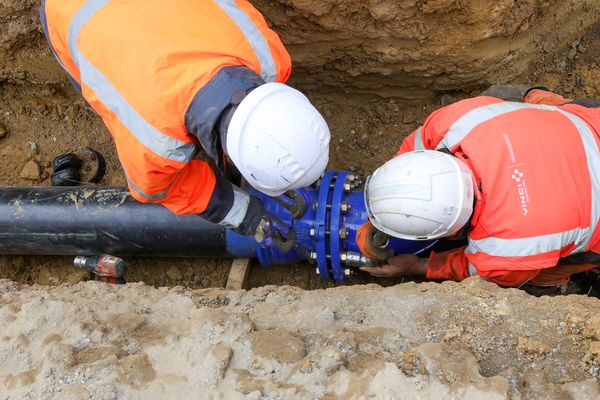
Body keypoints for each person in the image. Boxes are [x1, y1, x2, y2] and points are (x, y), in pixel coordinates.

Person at [40, 0, 330, 246]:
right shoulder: (152, 144)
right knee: (107, 94)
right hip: (71, 10)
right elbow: (165, 188)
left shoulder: (268, 55)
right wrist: (243, 214)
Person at [360, 86, 600, 293]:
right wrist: (389, 203)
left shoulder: (510, 248)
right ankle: (534, 96)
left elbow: (475, 270)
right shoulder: (457, 119)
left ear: (453, 231)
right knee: (503, 97)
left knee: (538, 273)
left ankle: (554, 284)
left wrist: (417, 266)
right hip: (589, 124)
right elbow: (415, 149)